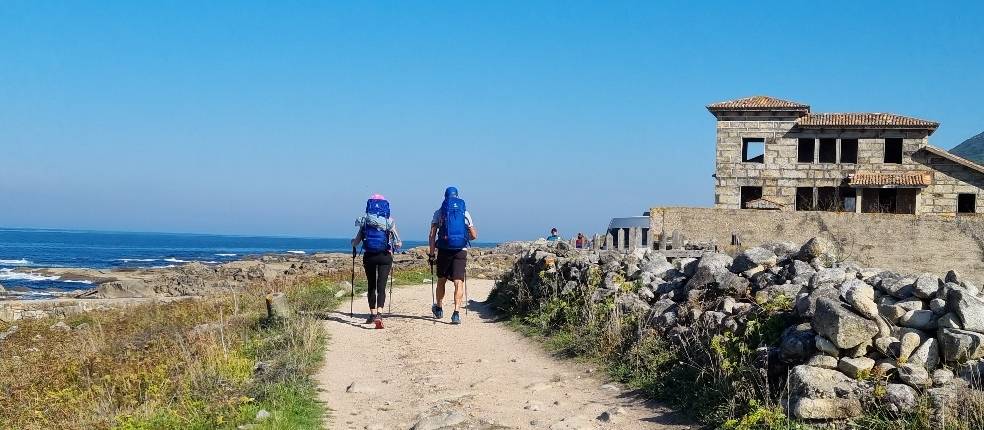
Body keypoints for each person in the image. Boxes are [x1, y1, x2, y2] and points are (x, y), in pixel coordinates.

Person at [351, 193, 402, 329]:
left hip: (370, 256)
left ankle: (372, 315)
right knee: (381, 286)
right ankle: (379, 314)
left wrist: (353, 243)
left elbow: (356, 242)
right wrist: (395, 245)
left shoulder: (365, 221)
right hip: (385, 256)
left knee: (371, 286)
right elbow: (398, 243)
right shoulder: (389, 221)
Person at [428, 186, 477, 325]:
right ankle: (456, 314)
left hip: (444, 250)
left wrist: (432, 255)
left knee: (441, 280)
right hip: (461, 250)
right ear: (457, 196)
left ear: (445, 197)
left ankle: (439, 307)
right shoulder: (465, 213)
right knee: (458, 282)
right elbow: (474, 235)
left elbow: (432, 235)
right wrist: (464, 238)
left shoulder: (439, 212)